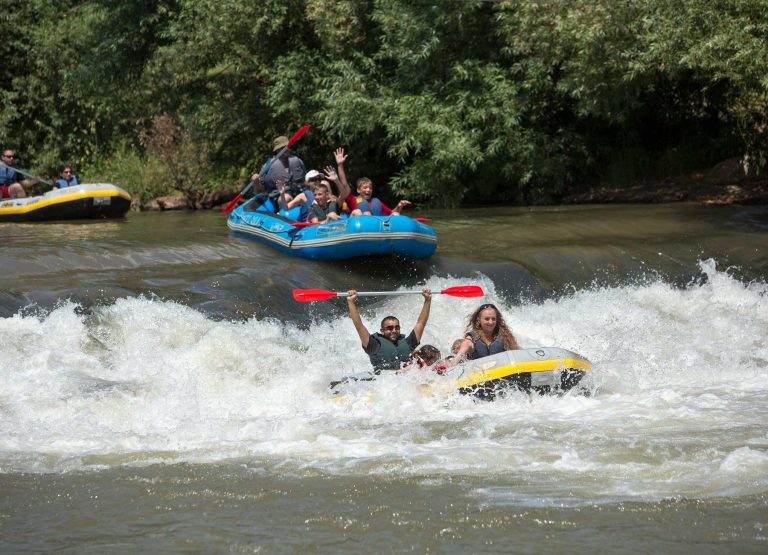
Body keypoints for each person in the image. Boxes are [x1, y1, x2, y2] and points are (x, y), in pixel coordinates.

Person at [346, 288, 432, 373]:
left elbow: (421, 323)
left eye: (397, 327)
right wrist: (351, 302)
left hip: (405, 381)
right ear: (382, 331)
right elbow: (359, 326)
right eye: (389, 328)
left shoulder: (409, 343)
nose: (394, 330)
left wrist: (427, 300)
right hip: (382, 382)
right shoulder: (373, 345)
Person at [249, 135, 306, 211]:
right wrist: (256, 182)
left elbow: (306, 180)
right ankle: (285, 217)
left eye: (289, 147)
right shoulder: (268, 165)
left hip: (299, 191)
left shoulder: (297, 160)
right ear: (277, 150)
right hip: (281, 196)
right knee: (286, 198)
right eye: (283, 148)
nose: (287, 149)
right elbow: (259, 190)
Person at [454, 303, 521, 360]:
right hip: (479, 372)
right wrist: (455, 361)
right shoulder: (472, 338)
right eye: (487, 319)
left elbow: (519, 351)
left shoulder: (505, 336)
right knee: (457, 344)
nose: (490, 322)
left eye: (493, 319)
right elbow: (466, 345)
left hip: (500, 371)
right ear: (479, 320)